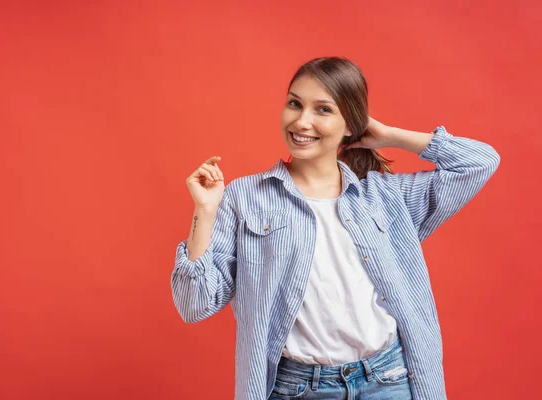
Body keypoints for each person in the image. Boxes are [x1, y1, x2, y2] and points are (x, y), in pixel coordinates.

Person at [171, 57, 500, 400]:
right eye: (295, 104)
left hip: (390, 380)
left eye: (323, 110)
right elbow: (194, 304)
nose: (302, 121)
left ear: (350, 125)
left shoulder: (385, 197)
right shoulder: (245, 198)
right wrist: (204, 212)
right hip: (297, 387)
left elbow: (480, 162)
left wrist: (389, 136)